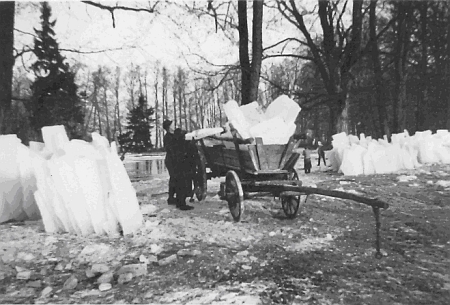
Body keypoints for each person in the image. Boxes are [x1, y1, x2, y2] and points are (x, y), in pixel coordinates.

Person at [163, 119, 176, 205]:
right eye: (172, 125)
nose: (174, 125)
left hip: (174, 159)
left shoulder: (173, 135)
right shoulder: (168, 137)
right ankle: (171, 198)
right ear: (169, 127)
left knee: (175, 178)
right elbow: (171, 150)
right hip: (171, 160)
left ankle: (172, 197)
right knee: (174, 178)